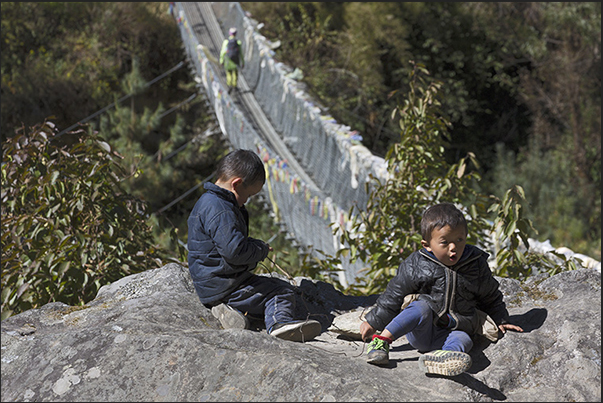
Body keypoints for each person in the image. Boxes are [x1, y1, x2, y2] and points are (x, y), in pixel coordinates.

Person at [359, 202, 523, 376]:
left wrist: (501, 319)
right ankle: (381, 341)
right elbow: (394, 294)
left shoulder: (475, 263)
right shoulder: (417, 263)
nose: (453, 247)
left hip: (455, 329)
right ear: (427, 245)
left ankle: (444, 359)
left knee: (464, 339)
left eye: (459, 240)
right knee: (420, 307)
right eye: (444, 242)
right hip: (423, 330)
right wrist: (374, 321)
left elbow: (490, 295)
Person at [187, 149, 321, 342]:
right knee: (281, 291)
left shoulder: (208, 202)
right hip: (225, 285)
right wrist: (260, 250)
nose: (247, 201)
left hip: (212, 283)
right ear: (237, 184)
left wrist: (253, 244)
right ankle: (279, 324)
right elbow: (235, 252)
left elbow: (223, 244)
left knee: (267, 289)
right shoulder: (222, 210)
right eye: (249, 195)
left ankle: (229, 311)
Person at [219, 27, 245, 93]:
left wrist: (221, 60)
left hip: (228, 60)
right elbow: (241, 53)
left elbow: (223, 52)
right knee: (235, 74)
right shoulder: (238, 42)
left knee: (229, 73)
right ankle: (234, 86)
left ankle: (229, 85)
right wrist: (242, 62)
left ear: (229, 33)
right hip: (236, 60)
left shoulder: (226, 42)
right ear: (236, 34)